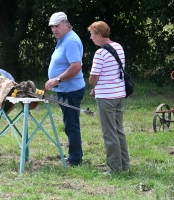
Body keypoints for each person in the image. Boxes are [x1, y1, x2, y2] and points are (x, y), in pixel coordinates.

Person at [88, 21, 130, 174]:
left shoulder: (100, 53)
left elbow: (93, 79)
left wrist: (95, 86)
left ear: (99, 34)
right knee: (119, 130)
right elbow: (113, 74)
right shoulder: (118, 47)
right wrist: (98, 88)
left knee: (109, 132)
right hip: (119, 94)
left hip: (106, 98)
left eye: (92, 35)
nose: (91, 38)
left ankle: (114, 169)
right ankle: (124, 166)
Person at [45, 12, 86, 166]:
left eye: (57, 26)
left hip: (71, 90)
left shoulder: (71, 41)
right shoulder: (63, 39)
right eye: (52, 27)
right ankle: (74, 156)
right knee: (69, 124)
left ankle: (75, 160)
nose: (54, 29)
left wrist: (57, 79)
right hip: (66, 89)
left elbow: (76, 67)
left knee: (71, 125)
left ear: (66, 24)